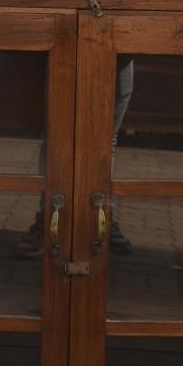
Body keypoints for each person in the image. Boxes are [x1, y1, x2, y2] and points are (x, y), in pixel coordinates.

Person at [17, 56, 134, 258]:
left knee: (106, 138)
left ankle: (101, 218)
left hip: (120, 47)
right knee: (58, 134)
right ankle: (49, 220)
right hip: (69, 44)